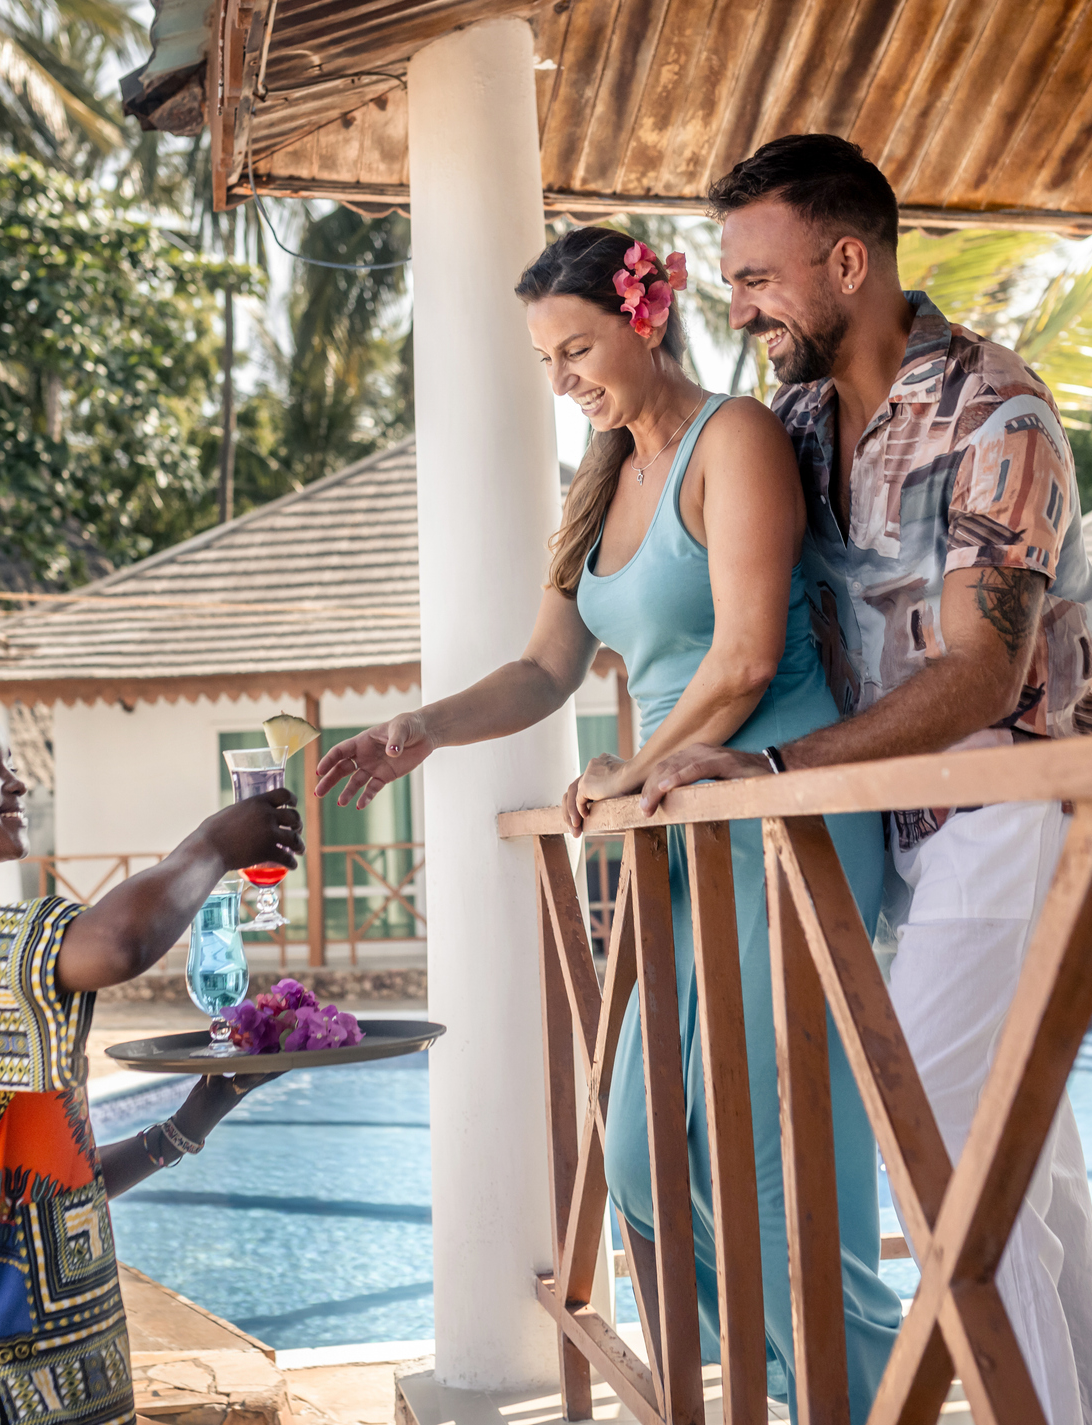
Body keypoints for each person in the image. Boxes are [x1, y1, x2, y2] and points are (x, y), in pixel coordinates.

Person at [314, 227, 901, 1417]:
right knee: (637, 1156)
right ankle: (777, 1387)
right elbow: (543, 670)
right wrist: (414, 731)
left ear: (645, 318)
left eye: (577, 346)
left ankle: (866, 1394)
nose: (564, 376)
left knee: (777, 1158)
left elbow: (740, 660)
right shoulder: (596, 484)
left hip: (779, 819)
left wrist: (629, 768)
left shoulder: (732, 440)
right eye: (545, 358)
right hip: (679, 830)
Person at [640, 135, 1092, 1425]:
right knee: (1028, 1162)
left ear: (846, 260)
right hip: (903, 815)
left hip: (1013, 798)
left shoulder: (997, 411)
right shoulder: (796, 423)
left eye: (756, 277)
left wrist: (774, 766)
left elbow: (979, 675)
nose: (736, 309)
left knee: (945, 1139)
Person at [0, 686, 302, 1425]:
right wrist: (213, 845)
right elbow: (115, 943)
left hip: (39, 1377)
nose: (18, 782)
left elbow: (41, 1193)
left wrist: (188, 1122)